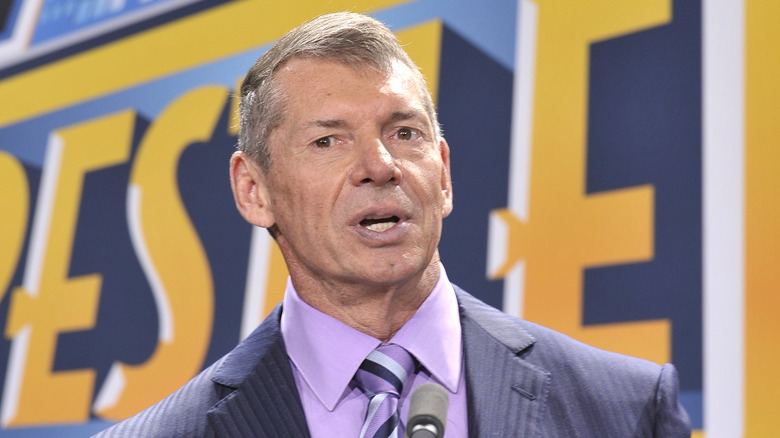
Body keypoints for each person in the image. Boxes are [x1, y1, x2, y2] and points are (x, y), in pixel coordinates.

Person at [93, 12, 691, 438]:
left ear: (445, 172)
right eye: (328, 140)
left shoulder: (628, 409)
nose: (379, 166)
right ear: (254, 191)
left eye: (404, 133)